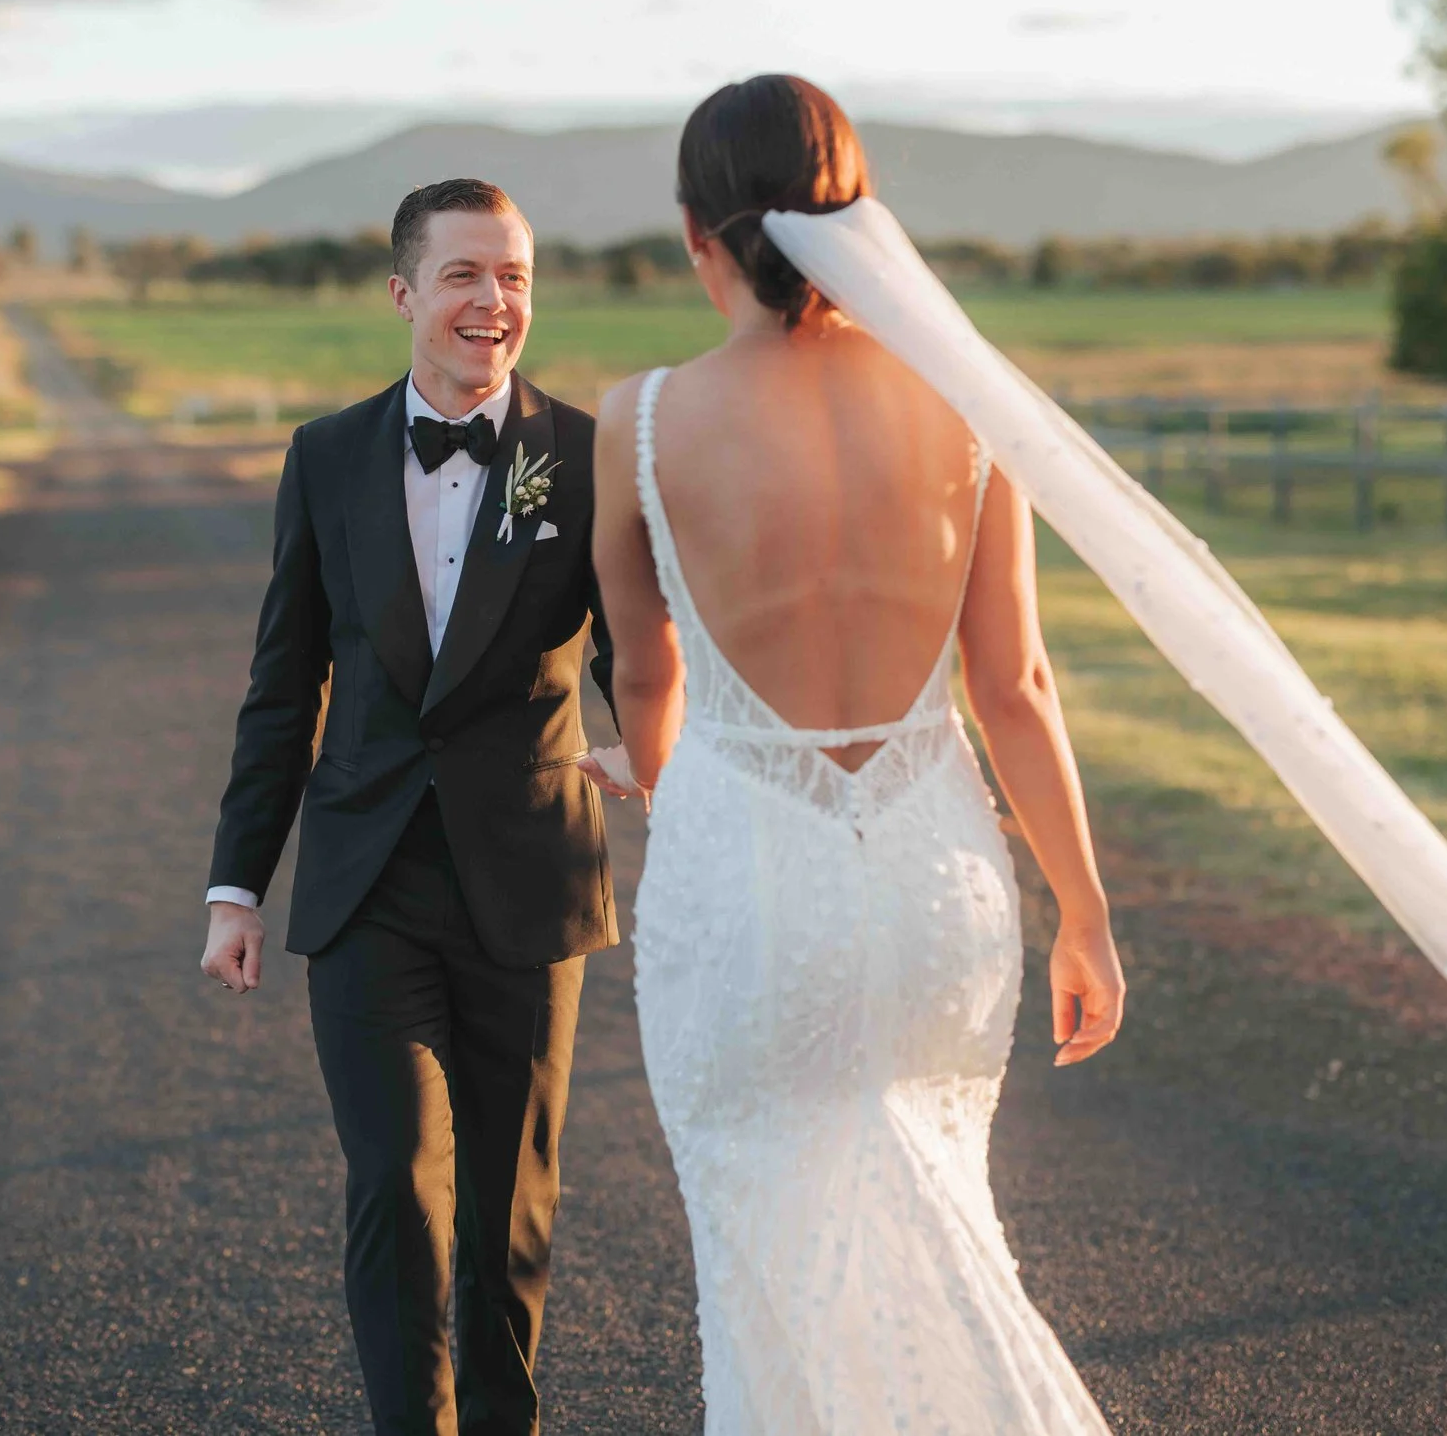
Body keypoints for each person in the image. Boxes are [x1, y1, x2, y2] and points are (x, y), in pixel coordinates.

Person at [592, 77, 1125, 1433]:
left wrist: (642, 766)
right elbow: (1014, 685)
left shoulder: (642, 420)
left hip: (746, 879)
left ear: (697, 232)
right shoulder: (962, 401)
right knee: (943, 1217)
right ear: (854, 210)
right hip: (935, 874)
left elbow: (646, 668)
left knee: (767, 1245)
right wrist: (1086, 908)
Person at [199, 178, 631, 1436]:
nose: (493, 301)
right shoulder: (325, 457)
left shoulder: (582, 456)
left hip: (531, 879)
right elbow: (284, 687)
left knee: (508, 1210)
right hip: (365, 883)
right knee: (395, 1181)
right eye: (463, 275)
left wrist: (662, 748)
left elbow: (634, 655)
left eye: (514, 277)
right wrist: (237, 885)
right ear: (403, 293)